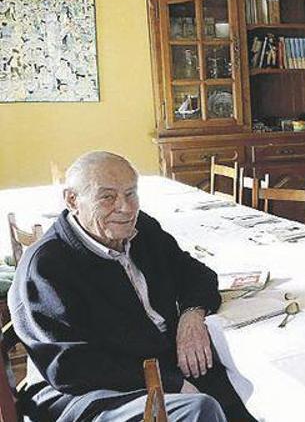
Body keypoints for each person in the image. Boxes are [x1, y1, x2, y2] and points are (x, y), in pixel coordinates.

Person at [7, 151, 254, 422]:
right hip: (86, 393)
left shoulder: (141, 229)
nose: (125, 208)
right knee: (199, 410)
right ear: (72, 200)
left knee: (254, 386)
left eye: (131, 193)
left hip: (158, 362)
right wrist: (169, 383)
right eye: (107, 197)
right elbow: (70, 366)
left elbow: (197, 275)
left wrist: (191, 314)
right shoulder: (46, 266)